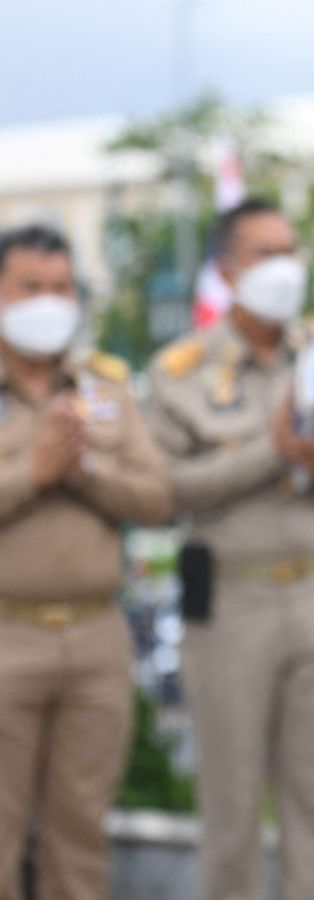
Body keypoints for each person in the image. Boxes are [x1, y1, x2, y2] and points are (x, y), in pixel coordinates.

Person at [146, 198, 314, 900]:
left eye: (289, 251)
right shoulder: (181, 369)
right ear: (224, 269)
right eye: (263, 254)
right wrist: (269, 453)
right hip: (231, 602)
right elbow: (163, 489)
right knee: (233, 807)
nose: (282, 268)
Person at [0, 224, 173, 900]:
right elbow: (35, 473)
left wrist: (82, 472)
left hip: (96, 636)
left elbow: (159, 497)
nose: (50, 301)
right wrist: (33, 472)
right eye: (31, 287)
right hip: (7, 634)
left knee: (80, 834)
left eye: (62, 287)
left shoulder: (104, 388)